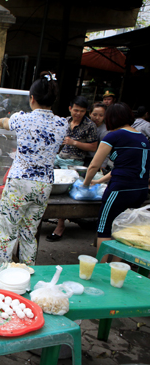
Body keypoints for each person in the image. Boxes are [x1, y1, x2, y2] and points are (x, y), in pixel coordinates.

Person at [0, 72, 68, 264]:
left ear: (32, 98)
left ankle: (1, 277)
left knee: (7, 233)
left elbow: (3, 122)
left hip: (20, 182)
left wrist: (2, 121)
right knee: (29, 233)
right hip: (43, 185)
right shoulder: (62, 123)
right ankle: (27, 274)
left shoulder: (22, 119)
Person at [84, 103, 149, 253]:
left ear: (111, 118)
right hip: (140, 190)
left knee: (105, 229)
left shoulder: (114, 136)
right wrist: (99, 181)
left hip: (120, 190)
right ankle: (117, 265)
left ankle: (103, 268)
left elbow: (94, 165)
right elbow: (123, 167)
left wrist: (86, 184)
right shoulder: (142, 138)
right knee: (124, 230)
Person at [47, 96, 99, 241]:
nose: (78, 113)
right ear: (70, 109)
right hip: (58, 157)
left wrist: (74, 143)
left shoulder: (90, 126)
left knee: (64, 194)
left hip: (74, 162)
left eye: (82, 111)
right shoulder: (65, 121)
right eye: (76, 110)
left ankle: (60, 225)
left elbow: (93, 147)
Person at [85, 102, 110, 170]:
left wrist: (102, 166)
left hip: (94, 160)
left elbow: (105, 151)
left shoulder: (105, 131)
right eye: (95, 114)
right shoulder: (85, 125)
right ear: (90, 113)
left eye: (101, 115)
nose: (97, 118)